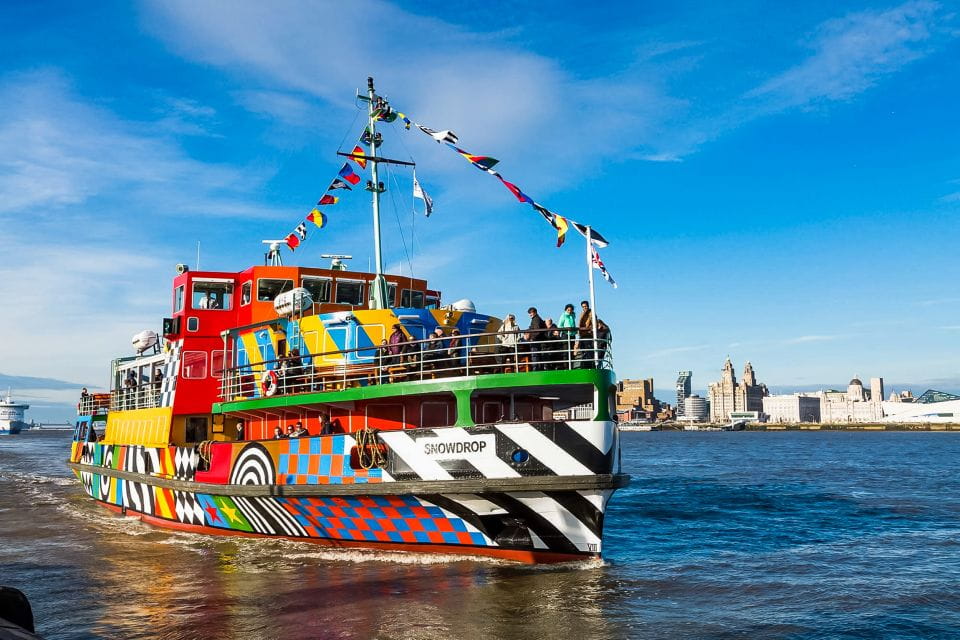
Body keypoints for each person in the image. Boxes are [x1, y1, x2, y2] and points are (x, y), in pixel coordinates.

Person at [577, 300, 594, 366]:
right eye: (583, 307)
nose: (585, 308)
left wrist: (590, 329)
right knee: (583, 350)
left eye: (586, 306)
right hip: (582, 335)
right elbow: (580, 323)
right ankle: (584, 364)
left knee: (588, 351)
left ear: (588, 306)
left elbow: (593, 322)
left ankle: (588, 365)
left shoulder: (591, 313)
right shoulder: (581, 313)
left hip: (588, 334)